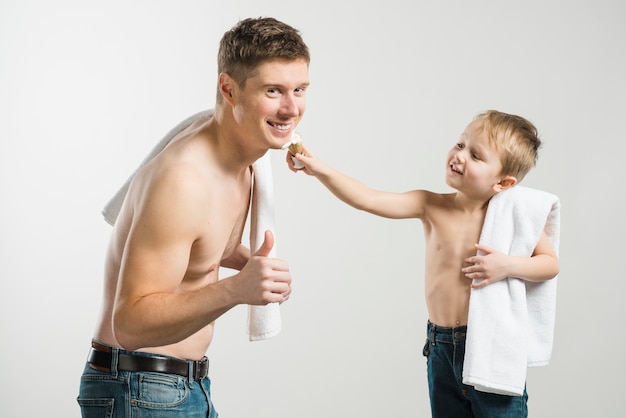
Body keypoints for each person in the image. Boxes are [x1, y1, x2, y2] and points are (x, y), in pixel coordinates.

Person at [77, 17, 310, 417]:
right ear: (228, 89)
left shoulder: (242, 152)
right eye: (273, 91)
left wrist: (246, 263)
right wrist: (238, 289)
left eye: (299, 90)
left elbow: (199, 243)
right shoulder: (184, 181)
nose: (291, 109)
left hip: (175, 385)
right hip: (139, 387)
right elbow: (129, 323)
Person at [286, 110, 559, 417]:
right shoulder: (431, 205)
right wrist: (319, 168)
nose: (460, 156)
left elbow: (550, 264)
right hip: (440, 344)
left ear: (503, 183)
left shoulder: (511, 219)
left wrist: (507, 266)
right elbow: (368, 198)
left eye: (476, 155)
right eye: (460, 144)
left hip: (486, 345)